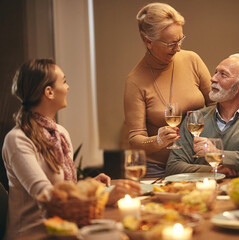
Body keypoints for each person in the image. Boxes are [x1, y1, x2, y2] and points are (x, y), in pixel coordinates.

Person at [124, 2, 239, 178]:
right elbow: (135, 140)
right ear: (148, 42)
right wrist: (157, 141)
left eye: (180, 39)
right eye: (171, 43)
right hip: (158, 169)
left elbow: (218, 101)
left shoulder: (191, 60)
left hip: (196, 162)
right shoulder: (135, 81)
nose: (178, 48)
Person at [2, 59, 141, 240]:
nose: (68, 87)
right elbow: (47, 195)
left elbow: (62, 189)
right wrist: (104, 199)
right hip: (35, 235)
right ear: (49, 92)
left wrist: (88, 187)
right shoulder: (17, 140)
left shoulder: (59, 133)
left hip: (65, 230)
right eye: (64, 81)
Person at [166, 54, 239, 177]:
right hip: (201, 194)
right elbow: (173, 166)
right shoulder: (195, 119)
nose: (213, 78)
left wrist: (220, 155)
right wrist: (214, 171)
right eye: (216, 72)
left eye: (223, 74)